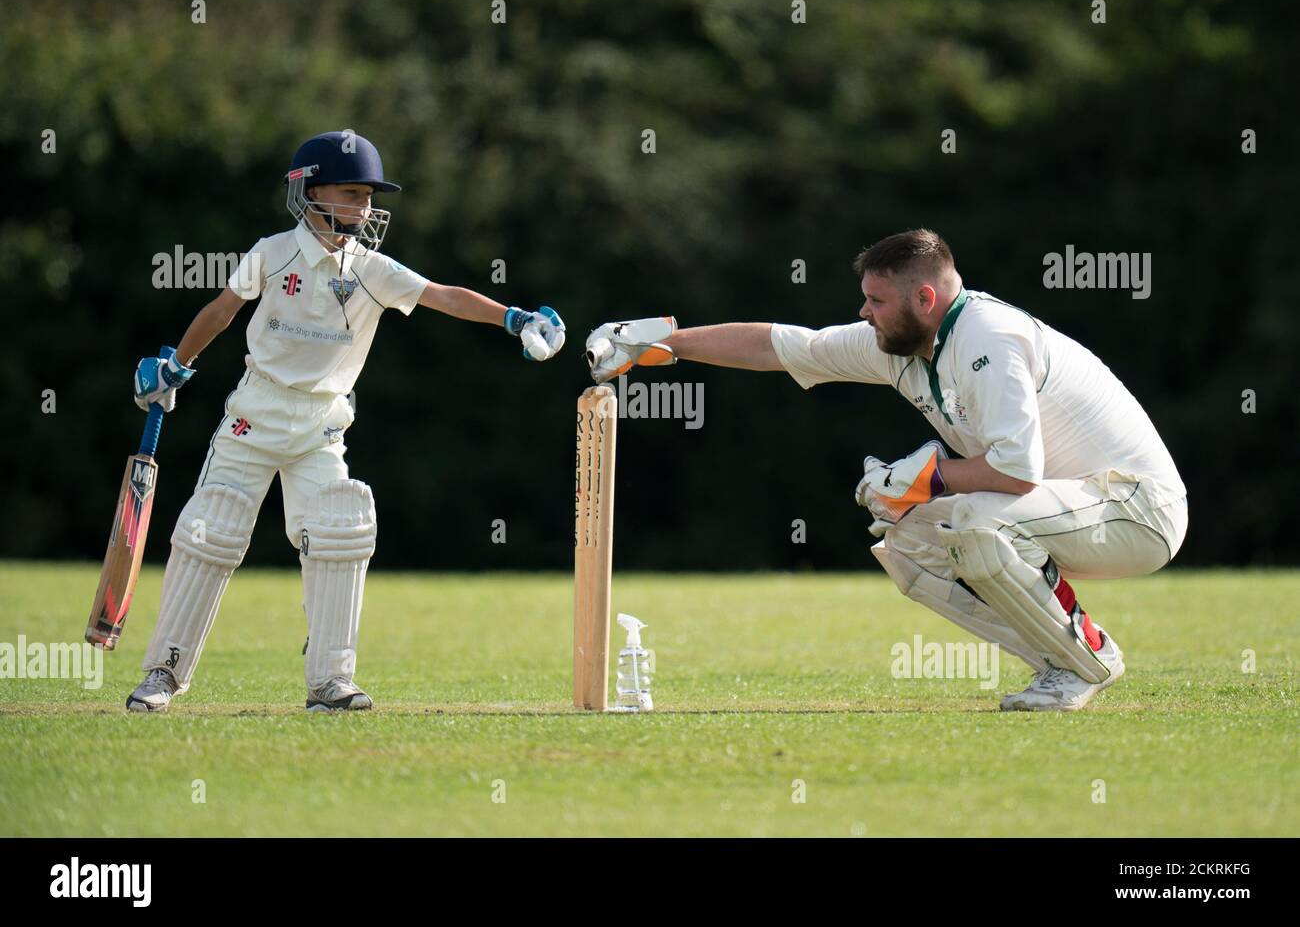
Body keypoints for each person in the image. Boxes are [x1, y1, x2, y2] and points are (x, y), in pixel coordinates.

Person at [585, 229, 1187, 711]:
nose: (864, 312)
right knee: (910, 544)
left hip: (1137, 509)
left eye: (876, 300)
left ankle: (1086, 659)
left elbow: (1017, 469)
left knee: (975, 522)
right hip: (1066, 507)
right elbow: (782, 345)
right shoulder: (897, 344)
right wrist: (660, 343)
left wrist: (928, 478)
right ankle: (1063, 663)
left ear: (925, 299)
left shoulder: (988, 339)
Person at [127, 131, 566, 713]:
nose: (365, 208)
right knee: (212, 529)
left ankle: (330, 682)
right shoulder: (272, 251)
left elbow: (445, 296)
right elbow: (222, 310)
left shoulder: (372, 270)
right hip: (255, 414)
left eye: (369, 197)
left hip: (321, 424)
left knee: (340, 528)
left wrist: (513, 318)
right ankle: (164, 672)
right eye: (353, 193)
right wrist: (176, 367)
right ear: (310, 189)